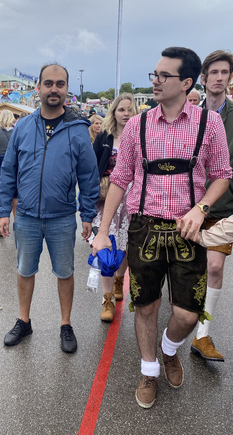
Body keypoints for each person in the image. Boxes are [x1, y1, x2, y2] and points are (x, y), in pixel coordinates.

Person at [92, 47, 231, 409]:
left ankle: (170, 348)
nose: (155, 81)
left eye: (163, 76)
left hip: (188, 230)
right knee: (146, 306)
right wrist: (103, 230)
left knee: (187, 313)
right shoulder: (137, 125)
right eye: (154, 74)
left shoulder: (209, 123)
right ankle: (149, 370)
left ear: (186, 83)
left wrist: (201, 209)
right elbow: (121, 178)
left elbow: (222, 175)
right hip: (144, 227)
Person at [0, 63, 99, 353]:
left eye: (60, 84)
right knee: (24, 270)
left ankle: (66, 324)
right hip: (26, 216)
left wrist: (87, 214)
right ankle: (24, 320)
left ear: (67, 89)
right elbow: (9, 171)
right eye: (49, 83)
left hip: (62, 217)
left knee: (64, 272)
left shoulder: (78, 129)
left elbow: (88, 175)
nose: (54, 89)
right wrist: (3, 211)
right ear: (38, 88)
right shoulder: (23, 127)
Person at [190, 50, 233, 361]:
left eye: (225, 73)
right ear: (203, 79)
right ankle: (178, 326)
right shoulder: (191, 115)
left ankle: (202, 336)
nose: (219, 78)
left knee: (215, 267)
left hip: (224, 206)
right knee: (187, 270)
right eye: (214, 72)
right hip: (190, 205)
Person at [92, 93, 137, 321]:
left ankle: (120, 279)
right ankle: (107, 298)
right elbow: (93, 166)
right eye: (121, 109)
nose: (126, 114)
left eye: (129, 109)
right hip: (107, 198)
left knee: (126, 245)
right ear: (114, 112)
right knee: (106, 247)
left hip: (132, 199)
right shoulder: (104, 136)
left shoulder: (141, 135)